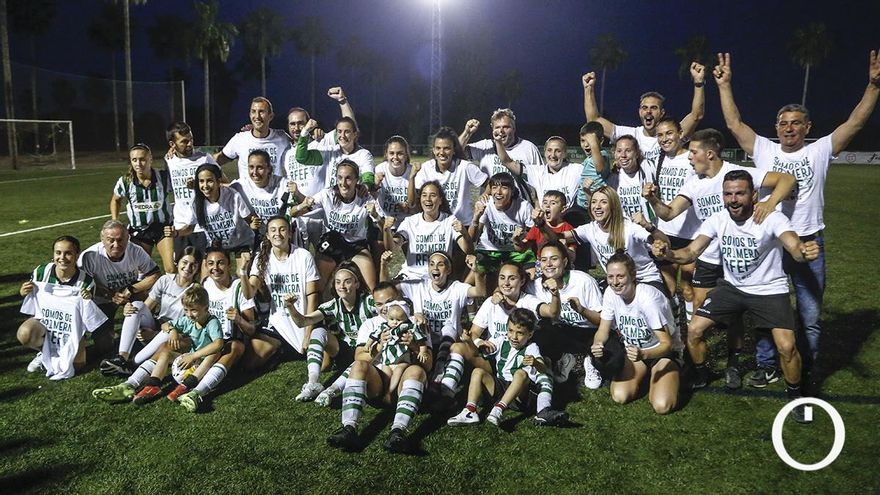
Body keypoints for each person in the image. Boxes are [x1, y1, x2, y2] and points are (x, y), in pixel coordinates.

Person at [714, 51, 880, 387]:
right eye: (783, 123)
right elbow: (734, 124)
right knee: (765, 311)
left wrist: (874, 86)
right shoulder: (765, 150)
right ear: (776, 127)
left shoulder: (819, 150)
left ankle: (806, 370)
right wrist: (724, 85)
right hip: (770, 245)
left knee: (810, 316)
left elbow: (855, 123)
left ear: (807, 127)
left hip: (808, 242)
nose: (789, 128)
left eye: (795, 123)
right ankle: (767, 365)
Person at [652, 170, 820, 422]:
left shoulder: (772, 218)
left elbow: (793, 246)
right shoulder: (718, 219)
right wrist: (668, 254)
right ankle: (702, 374)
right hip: (732, 288)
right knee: (694, 330)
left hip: (769, 290)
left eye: (740, 193)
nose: (733, 199)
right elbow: (690, 252)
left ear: (753, 195)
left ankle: (795, 396)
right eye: (728, 194)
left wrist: (803, 252)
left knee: (787, 347)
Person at [642, 128, 795, 388]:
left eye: (693, 152)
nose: (690, 157)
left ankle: (733, 364)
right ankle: (699, 367)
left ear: (710, 154)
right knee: (699, 311)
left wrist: (769, 204)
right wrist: (653, 199)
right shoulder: (694, 183)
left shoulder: (737, 174)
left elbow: (787, 180)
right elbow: (668, 214)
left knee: (734, 317)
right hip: (709, 254)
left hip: (737, 255)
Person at [327, 282, 429, 454]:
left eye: (389, 302)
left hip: (403, 383)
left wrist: (413, 346)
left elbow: (428, 363)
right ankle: (348, 428)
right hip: (377, 383)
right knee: (359, 365)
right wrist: (380, 345)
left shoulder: (415, 322)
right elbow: (359, 357)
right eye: (379, 304)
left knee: (417, 371)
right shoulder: (370, 324)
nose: (384, 308)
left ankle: (398, 432)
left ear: (399, 299)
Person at [438, 263, 560, 400]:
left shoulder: (528, 301)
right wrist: (480, 342)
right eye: (502, 278)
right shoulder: (491, 302)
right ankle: (446, 392)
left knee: (542, 363)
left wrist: (555, 294)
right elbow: (474, 333)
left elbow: (552, 312)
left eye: (512, 278)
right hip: (492, 359)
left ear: (522, 281)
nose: (506, 283)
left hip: (517, 363)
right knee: (457, 347)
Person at [92, 285, 224, 405]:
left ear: (206, 308)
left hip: (206, 361)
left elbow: (218, 344)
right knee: (165, 353)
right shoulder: (188, 320)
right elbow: (165, 325)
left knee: (213, 354)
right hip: (193, 358)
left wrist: (193, 356)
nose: (189, 314)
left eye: (193, 310)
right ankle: (153, 386)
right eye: (186, 310)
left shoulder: (212, 322)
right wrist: (172, 331)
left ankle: (185, 387)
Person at [591, 252, 683, 414]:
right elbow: (603, 330)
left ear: (633, 275)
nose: (615, 282)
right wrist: (598, 344)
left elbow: (667, 344)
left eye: (620, 276)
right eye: (610, 277)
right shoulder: (610, 293)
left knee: (662, 406)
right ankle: (648, 376)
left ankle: (673, 372)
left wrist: (644, 354)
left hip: (662, 354)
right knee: (620, 396)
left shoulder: (648, 299)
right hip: (635, 354)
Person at [446, 308, 566, 427]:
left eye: (520, 333)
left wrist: (535, 363)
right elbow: (475, 354)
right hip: (501, 386)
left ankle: (498, 409)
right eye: (510, 330)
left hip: (520, 394)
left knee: (521, 373)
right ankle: (470, 411)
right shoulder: (500, 341)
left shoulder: (531, 347)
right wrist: (469, 342)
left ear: (530, 334)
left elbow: (543, 368)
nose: (514, 336)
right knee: (478, 372)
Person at [381, 251, 486, 386]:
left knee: (449, 328)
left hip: (450, 345)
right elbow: (386, 287)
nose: (435, 268)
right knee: (420, 324)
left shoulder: (456, 288)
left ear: (448, 270)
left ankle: (440, 370)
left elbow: (480, 292)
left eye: (440, 265)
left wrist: (476, 271)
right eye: (432, 264)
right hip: (424, 344)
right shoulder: (418, 286)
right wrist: (383, 265)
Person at [176, 248, 262, 413]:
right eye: (211, 263)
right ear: (206, 266)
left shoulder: (238, 287)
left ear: (229, 265)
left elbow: (252, 330)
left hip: (228, 342)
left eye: (220, 263)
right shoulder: (205, 285)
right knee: (169, 344)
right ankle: (142, 381)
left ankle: (196, 393)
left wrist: (239, 319)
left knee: (235, 347)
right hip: (204, 339)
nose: (215, 268)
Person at [283, 262, 376, 405]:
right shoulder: (334, 305)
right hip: (345, 351)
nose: (342, 286)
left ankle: (331, 390)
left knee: (360, 360)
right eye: (338, 282)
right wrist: (290, 307)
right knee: (318, 331)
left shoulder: (369, 302)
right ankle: (313, 382)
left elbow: (388, 309)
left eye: (347, 281)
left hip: (366, 353)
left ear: (357, 284)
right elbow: (303, 322)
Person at [98, 247, 201, 376]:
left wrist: (153, 334)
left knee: (167, 332)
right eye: (184, 262)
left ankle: (132, 364)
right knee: (136, 305)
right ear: (177, 262)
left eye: (193, 265)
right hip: (158, 323)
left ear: (198, 268)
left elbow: (189, 325)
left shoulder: (196, 290)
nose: (188, 267)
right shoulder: (165, 280)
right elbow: (146, 306)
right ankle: (122, 357)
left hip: (176, 332)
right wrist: (131, 312)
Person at [18, 236, 107, 379]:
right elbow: (33, 301)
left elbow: (87, 317)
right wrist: (23, 292)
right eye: (58, 253)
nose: (62, 258)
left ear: (77, 255)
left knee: (77, 366)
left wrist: (88, 298)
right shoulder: (41, 272)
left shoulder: (86, 281)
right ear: (53, 254)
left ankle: (60, 351)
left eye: (68, 253)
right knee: (25, 333)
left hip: (71, 328)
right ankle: (43, 352)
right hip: (44, 322)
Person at [582, 63, 705, 165]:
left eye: (653, 108)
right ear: (640, 112)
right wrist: (588, 89)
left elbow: (696, 115)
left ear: (662, 113)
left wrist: (699, 83)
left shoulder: (672, 135)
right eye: (644, 108)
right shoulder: (631, 135)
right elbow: (594, 120)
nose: (648, 111)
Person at [291, 160, 386, 291]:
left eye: (348, 178)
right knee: (316, 288)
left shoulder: (365, 197)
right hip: (332, 242)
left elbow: (384, 227)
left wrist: (375, 215)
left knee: (371, 288)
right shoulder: (327, 195)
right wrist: (302, 204)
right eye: (340, 178)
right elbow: (294, 213)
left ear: (357, 180)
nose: (343, 183)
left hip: (356, 245)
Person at [245, 216, 320, 375]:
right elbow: (249, 293)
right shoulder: (262, 258)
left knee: (325, 363)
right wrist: (242, 273)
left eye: (282, 229)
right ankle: (280, 349)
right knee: (250, 363)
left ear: (290, 233)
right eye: (273, 230)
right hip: (278, 323)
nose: (277, 234)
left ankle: (287, 349)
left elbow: (313, 296)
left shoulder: (304, 256)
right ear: (267, 235)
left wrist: (308, 332)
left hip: (303, 319)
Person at [79, 220, 161, 359]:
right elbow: (84, 286)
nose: (116, 245)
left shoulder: (135, 250)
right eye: (111, 240)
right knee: (104, 345)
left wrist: (131, 289)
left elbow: (155, 274)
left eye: (120, 240)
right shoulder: (90, 256)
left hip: (130, 294)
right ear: (102, 239)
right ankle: (115, 336)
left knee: (144, 295)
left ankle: (147, 331)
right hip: (102, 299)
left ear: (128, 238)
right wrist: (110, 295)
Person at [527, 242, 604, 389]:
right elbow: (515, 288)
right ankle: (566, 358)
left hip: (591, 331)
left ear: (565, 261)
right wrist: (498, 292)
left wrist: (582, 310)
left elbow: (602, 320)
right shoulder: (536, 285)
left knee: (613, 361)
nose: (548, 264)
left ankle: (590, 360)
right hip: (563, 331)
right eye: (544, 260)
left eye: (554, 259)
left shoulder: (583, 281)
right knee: (539, 334)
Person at [562, 186, 668, 293]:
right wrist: (549, 224)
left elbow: (662, 242)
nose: (597, 206)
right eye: (594, 202)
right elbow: (560, 236)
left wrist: (654, 238)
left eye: (603, 202)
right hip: (617, 283)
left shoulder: (629, 228)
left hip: (645, 280)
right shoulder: (590, 229)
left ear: (613, 206)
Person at [650, 117, 700, 324]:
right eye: (660, 135)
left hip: (691, 233)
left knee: (688, 288)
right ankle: (675, 330)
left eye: (669, 133)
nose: (664, 138)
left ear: (680, 133)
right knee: (668, 289)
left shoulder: (692, 158)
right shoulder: (657, 160)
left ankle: (691, 329)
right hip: (665, 233)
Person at [169, 163, 260, 268]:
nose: (205, 186)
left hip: (241, 242)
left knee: (242, 272)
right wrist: (176, 232)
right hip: (216, 245)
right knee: (207, 275)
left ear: (218, 181)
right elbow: (190, 228)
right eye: (201, 181)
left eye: (210, 181)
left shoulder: (233, 195)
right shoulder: (196, 203)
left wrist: (253, 224)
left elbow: (249, 219)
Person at [110, 143, 175, 273]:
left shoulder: (163, 177)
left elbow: (179, 193)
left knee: (171, 268)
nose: (138, 163)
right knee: (140, 271)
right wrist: (115, 220)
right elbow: (115, 200)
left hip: (163, 228)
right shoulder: (125, 181)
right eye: (134, 160)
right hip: (139, 231)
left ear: (150, 159)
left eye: (142, 159)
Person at [391, 180, 473, 280]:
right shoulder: (410, 222)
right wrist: (386, 229)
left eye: (432, 195)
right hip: (412, 276)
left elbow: (468, 250)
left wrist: (464, 233)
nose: (428, 199)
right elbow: (393, 246)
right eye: (424, 195)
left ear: (440, 200)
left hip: (438, 278)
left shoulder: (449, 221)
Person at [294, 88, 375, 189]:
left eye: (347, 132)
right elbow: (301, 158)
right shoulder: (330, 152)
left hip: (352, 199)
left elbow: (368, 178)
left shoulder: (363, 155)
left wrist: (365, 186)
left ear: (355, 134)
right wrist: (305, 132)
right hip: (331, 199)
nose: (342, 136)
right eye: (339, 131)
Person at [411, 126, 489, 225]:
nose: (442, 152)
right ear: (433, 150)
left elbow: (489, 184)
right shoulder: (426, 168)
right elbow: (414, 200)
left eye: (446, 148)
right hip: (436, 224)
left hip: (462, 224)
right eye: (438, 148)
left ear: (454, 150)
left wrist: (484, 196)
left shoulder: (465, 167)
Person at [470, 172, 536, 284]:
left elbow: (532, 235)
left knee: (532, 275)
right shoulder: (486, 204)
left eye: (504, 188)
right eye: (494, 188)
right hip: (489, 249)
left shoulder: (523, 206)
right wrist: (476, 217)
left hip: (516, 250)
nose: (498, 192)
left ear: (512, 191)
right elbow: (473, 237)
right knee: (476, 273)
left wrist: (521, 239)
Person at [163, 122, 217, 260]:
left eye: (191, 139)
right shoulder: (169, 161)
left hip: (204, 227)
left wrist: (199, 185)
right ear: (172, 144)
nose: (190, 144)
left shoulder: (205, 158)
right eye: (184, 141)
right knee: (183, 269)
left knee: (206, 268)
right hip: (180, 227)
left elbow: (223, 183)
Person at [365, 301, 429, 402]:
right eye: (391, 319)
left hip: (402, 359)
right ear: (387, 318)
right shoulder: (384, 327)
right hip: (387, 360)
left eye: (399, 320)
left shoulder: (409, 327)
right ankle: (386, 394)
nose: (395, 322)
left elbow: (421, 339)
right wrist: (368, 345)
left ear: (406, 318)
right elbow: (373, 335)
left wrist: (422, 351)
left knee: (398, 371)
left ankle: (390, 392)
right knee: (386, 376)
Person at [215, 96, 291, 179]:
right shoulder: (239, 139)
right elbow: (217, 160)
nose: (257, 116)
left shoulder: (282, 138)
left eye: (261, 112)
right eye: (253, 112)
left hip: (275, 187)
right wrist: (223, 182)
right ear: (250, 115)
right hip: (247, 188)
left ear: (271, 116)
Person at [497, 135, 582, 209]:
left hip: (569, 219)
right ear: (544, 152)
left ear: (564, 153)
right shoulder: (536, 172)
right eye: (549, 150)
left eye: (558, 151)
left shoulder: (576, 170)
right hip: (545, 220)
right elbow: (507, 162)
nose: (553, 155)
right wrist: (498, 142)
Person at [458, 108, 543, 178]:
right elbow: (456, 152)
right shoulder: (485, 146)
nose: (501, 131)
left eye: (506, 127)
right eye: (497, 127)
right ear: (492, 128)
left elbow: (541, 177)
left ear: (514, 128)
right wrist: (467, 133)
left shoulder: (529, 148)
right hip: (491, 194)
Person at [230, 150, 295, 232]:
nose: (255, 172)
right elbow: (222, 191)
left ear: (269, 168)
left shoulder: (283, 184)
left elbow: (299, 205)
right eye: (251, 167)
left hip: (280, 233)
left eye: (260, 168)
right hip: (256, 233)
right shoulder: (240, 186)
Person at [513, 190, 577, 263]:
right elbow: (522, 249)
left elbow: (572, 258)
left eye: (553, 203)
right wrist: (517, 241)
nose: (547, 205)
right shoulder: (537, 227)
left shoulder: (568, 229)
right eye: (545, 203)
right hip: (542, 265)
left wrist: (565, 248)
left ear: (563, 209)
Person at [607, 135, 655, 221]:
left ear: (636, 154)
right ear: (615, 154)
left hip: (648, 226)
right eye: (619, 151)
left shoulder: (648, 171)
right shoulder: (613, 179)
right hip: (624, 227)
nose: (623, 155)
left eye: (628, 151)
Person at [374, 136, 415, 229]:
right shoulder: (380, 169)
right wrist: (375, 186)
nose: (395, 157)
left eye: (400, 153)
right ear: (386, 154)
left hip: (407, 225)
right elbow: (371, 197)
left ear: (406, 155)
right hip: (384, 222)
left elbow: (419, 206)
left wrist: (409, 209)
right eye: (391, 153)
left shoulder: (412, 172)